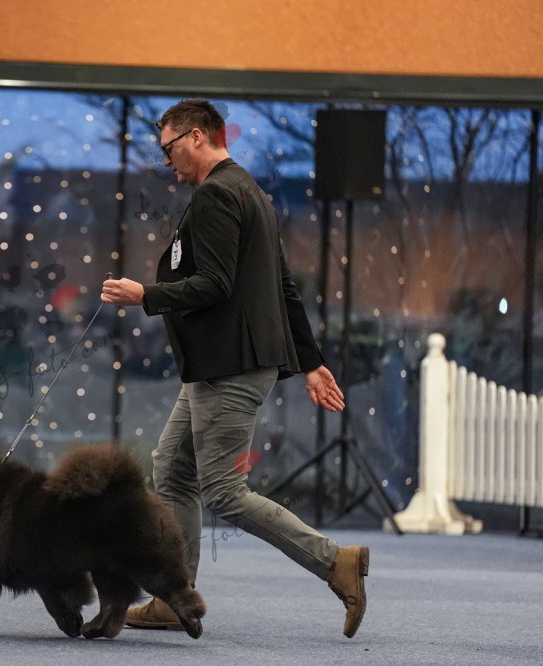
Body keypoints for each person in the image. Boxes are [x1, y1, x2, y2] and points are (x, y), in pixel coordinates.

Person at [100, 99, 369, 638]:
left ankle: (335, 561)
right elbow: (283, 288)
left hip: (229, 364)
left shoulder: (218, 194)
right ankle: (176, 598)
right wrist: (312, 363)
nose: (167, 161)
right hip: (222, 363)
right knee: (172, 469)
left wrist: (145, 294)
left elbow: (215, 285)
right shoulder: (250, 192)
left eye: (170, 149)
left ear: (197, 137)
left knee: (222, 491)